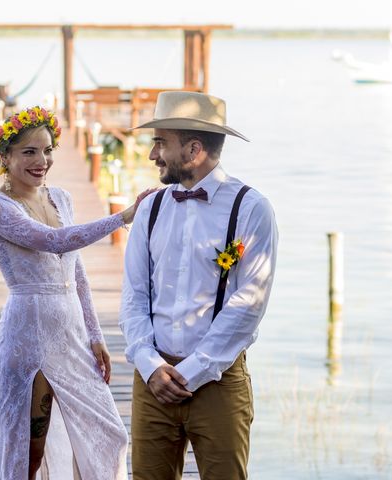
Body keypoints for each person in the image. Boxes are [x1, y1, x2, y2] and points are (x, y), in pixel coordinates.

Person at [0, 106, 152, 479]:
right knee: (30, 450)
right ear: (5, 157)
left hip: (71, 334)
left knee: (109, 433)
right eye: (29, 152)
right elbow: (54, 241)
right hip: (28, 338)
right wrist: (122, 217)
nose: (42, 161)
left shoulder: (61, 198)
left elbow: (76, 273)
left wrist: (95, 335)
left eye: (47, 150)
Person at [119, 91, 279, 479]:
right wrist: (149, 364)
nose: (153, 155)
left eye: (161, 143)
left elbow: (248, 305)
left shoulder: (251, 208)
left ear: (193, 149)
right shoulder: (150, 210)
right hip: (152, 380)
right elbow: (134, 296)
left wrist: (192, 371)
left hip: (218, 382)